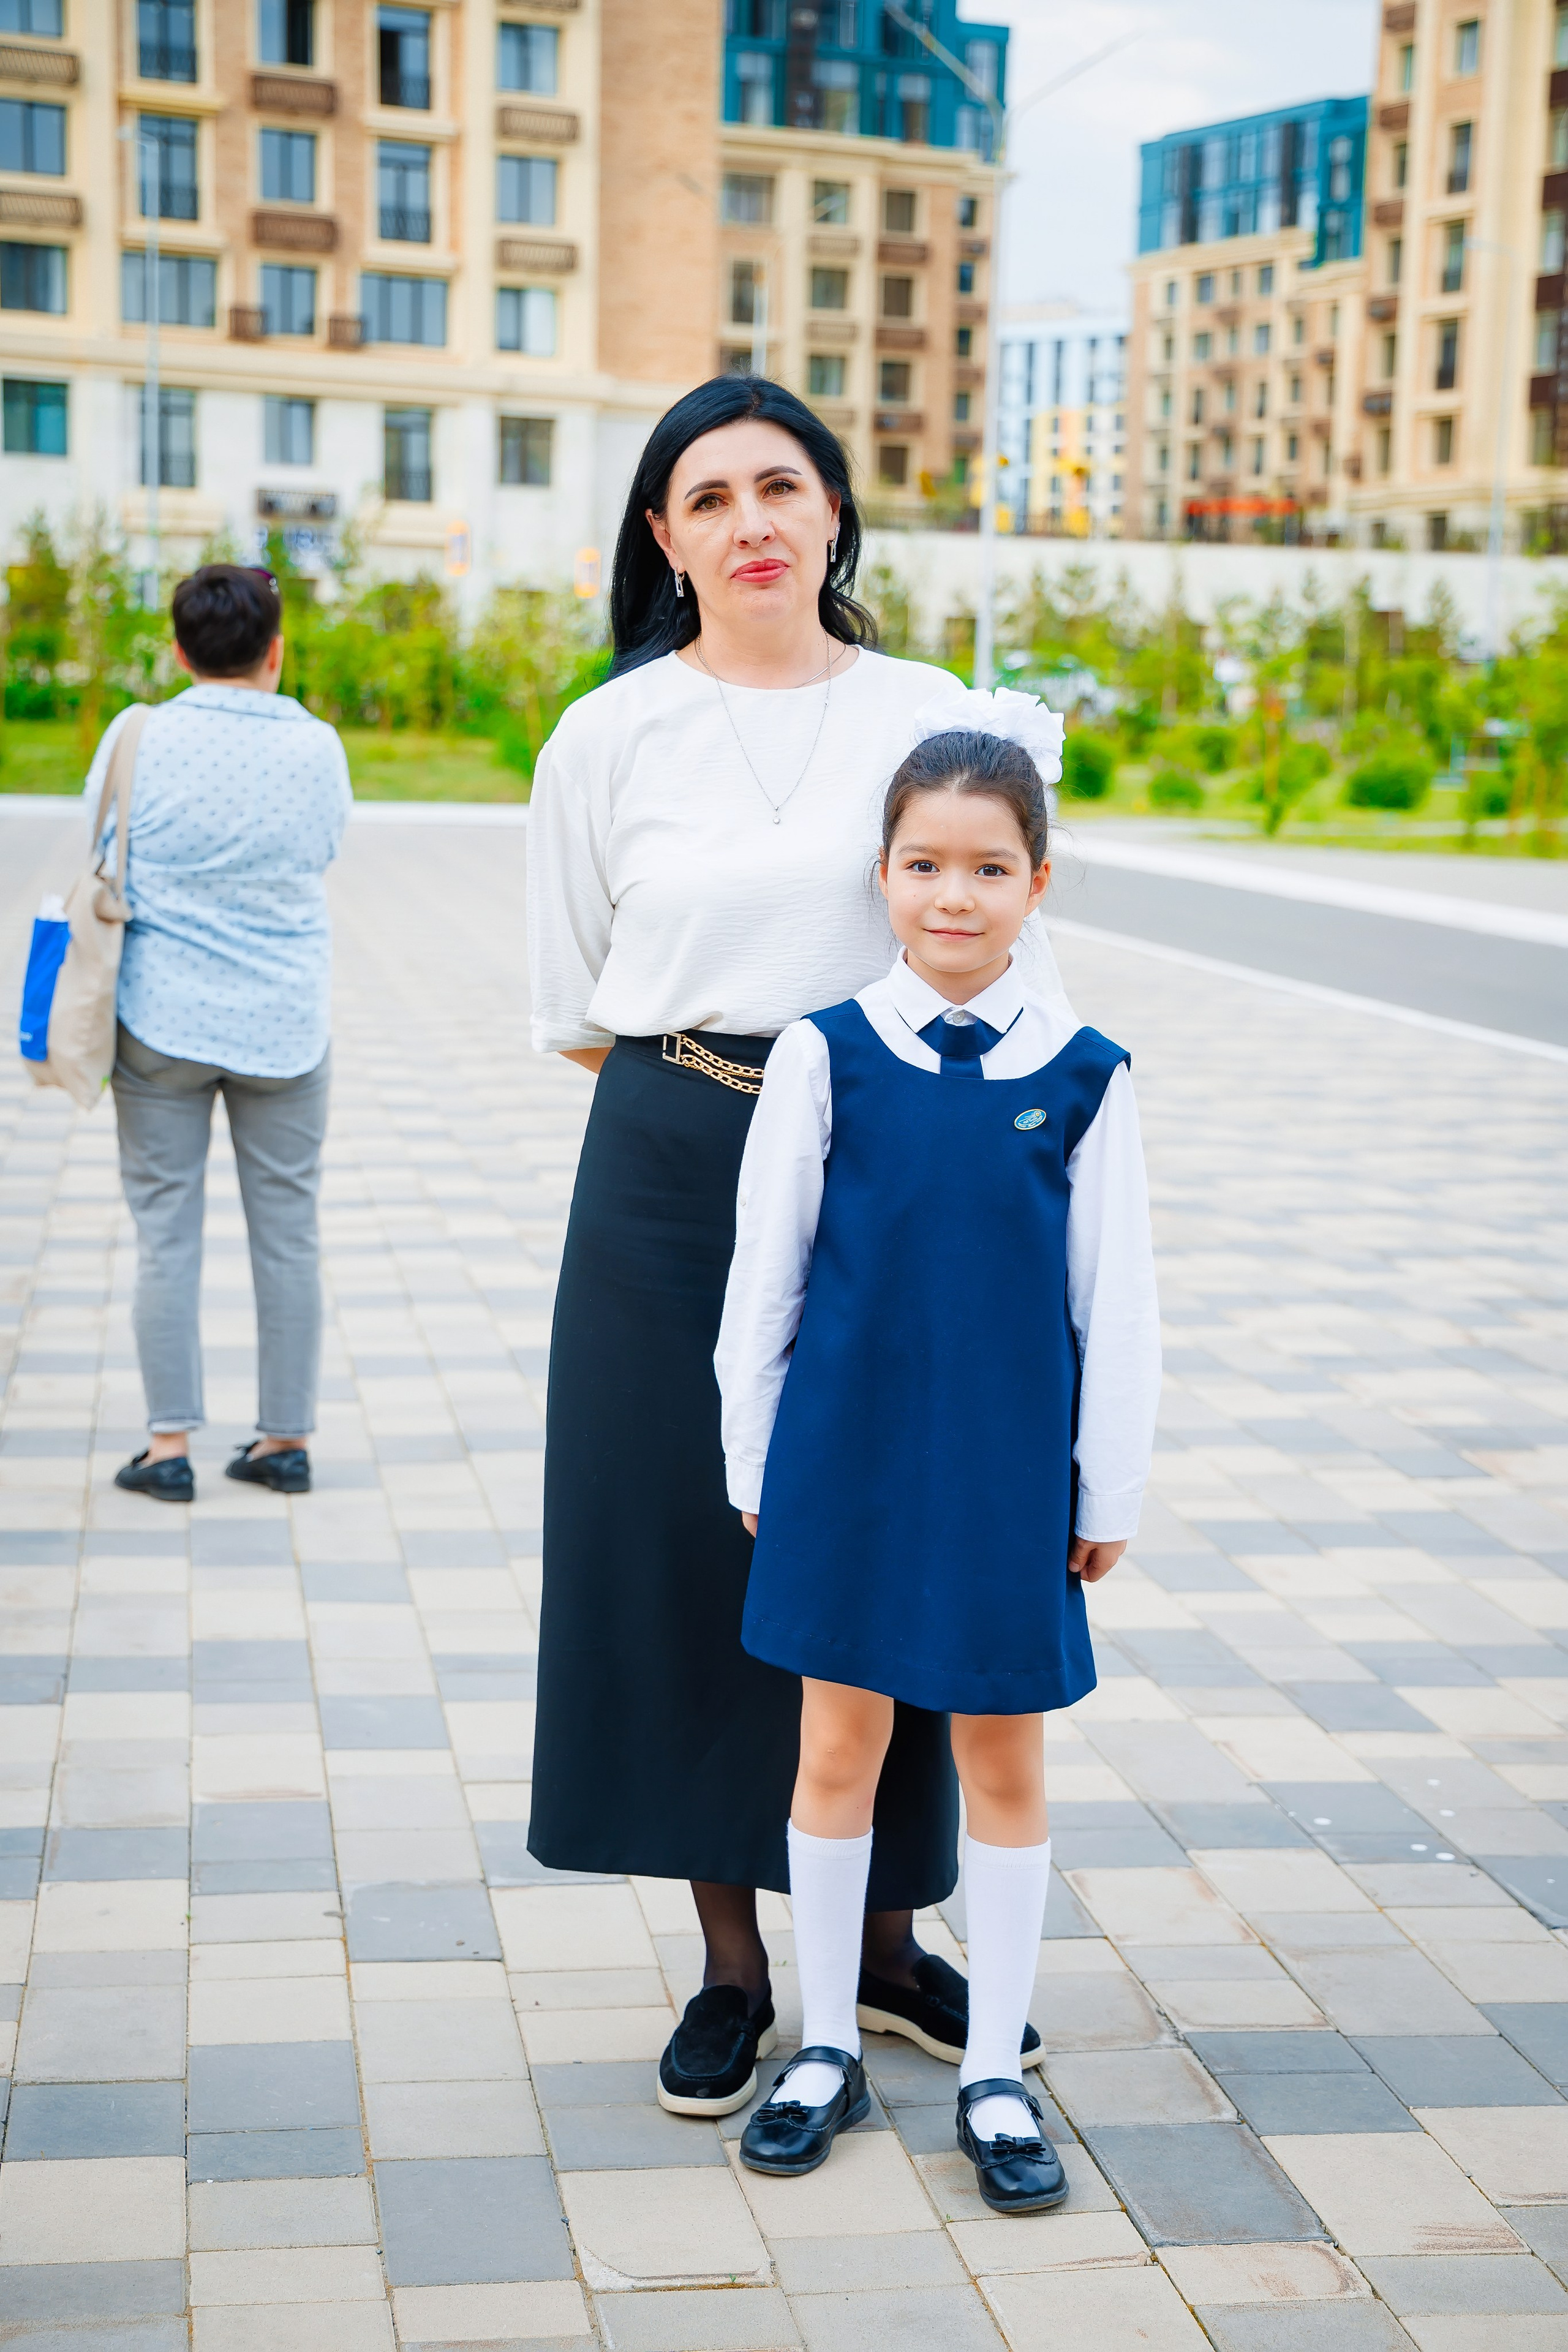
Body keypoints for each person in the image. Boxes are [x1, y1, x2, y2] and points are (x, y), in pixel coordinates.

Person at [525, 376, 1073, 2118]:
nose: (750, 521)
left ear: (835, 511)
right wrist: (739, 1110)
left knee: (894, 1529)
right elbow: (577, 997)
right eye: (708, 497)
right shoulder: (606, 735)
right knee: (690, 1540)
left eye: (782, 485)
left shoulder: (930, 713)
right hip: (671, 1158)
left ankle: (887, 1949)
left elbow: (1001, 943)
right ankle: (734, 1966)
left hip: (894, 1156)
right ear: (662, 537)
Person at [715, 702, 1161, 2210]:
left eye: (987, 868)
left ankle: (990, 2074)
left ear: (1038, 882)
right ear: (882, 876)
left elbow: (1116, 1303)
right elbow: (765, 1279)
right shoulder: (823, 1055)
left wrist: (1104, 1485)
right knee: (834, 1751)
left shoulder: (1084, 1073)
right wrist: (754, 1461)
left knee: (1000, 1758)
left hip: (1001, 1475)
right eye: (922, 865)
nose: (952, 897)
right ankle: (826, 2044)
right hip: (841, 1463)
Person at [94, 562, 352, 1505]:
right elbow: (326, 849)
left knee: (165, 1234)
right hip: (284, 1026)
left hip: (158, 1020)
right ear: (275, 652)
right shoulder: (317, 745)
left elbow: (100, 847)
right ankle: (284, 1442)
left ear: (179, 651)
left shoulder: (138, 735)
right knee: (289, 1235)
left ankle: (167, 1449)